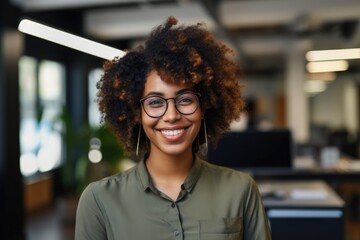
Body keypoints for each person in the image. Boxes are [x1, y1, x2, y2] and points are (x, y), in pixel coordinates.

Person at [75, 16, 271, 240]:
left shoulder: (241, 191)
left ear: (204, 105)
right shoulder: (99, 200)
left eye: (185, 99)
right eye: (155, 102)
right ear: (136, 114)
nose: (172, 115)